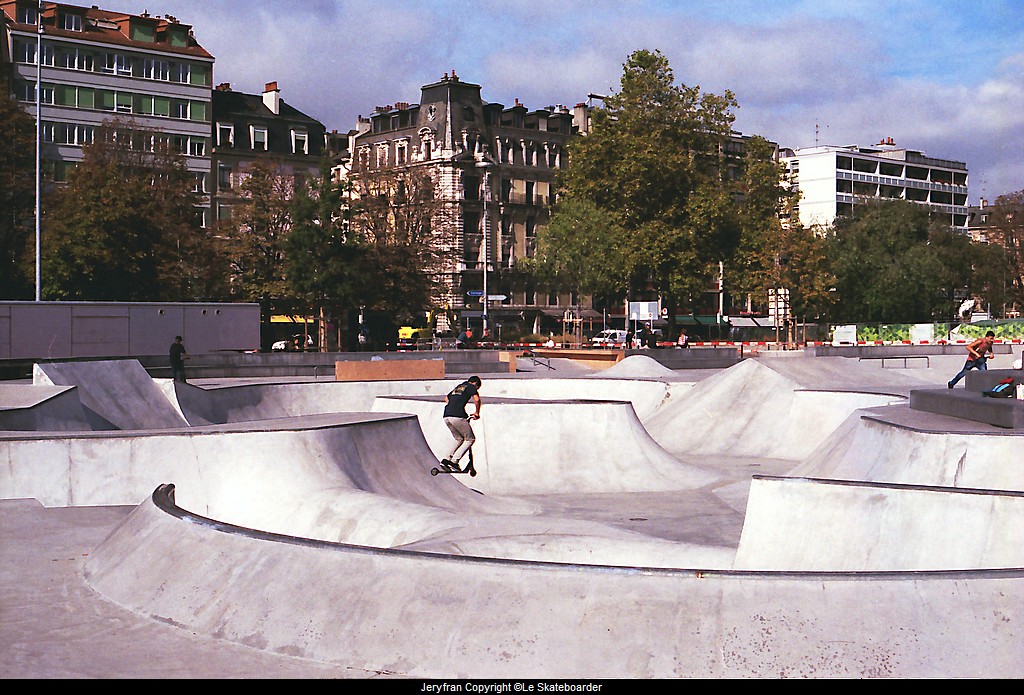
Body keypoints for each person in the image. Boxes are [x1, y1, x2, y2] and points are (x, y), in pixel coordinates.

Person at [440, 376, 482, 472]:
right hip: (457, 416)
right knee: (470, 439)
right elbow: (477, 399)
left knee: (459, 439)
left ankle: (446, 459)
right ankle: (454, 461)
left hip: (447, 415)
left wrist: (456, 407)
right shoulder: (471, 387)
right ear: (475, 384)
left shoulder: (460, 386)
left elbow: (446, 398)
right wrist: (477, 413)